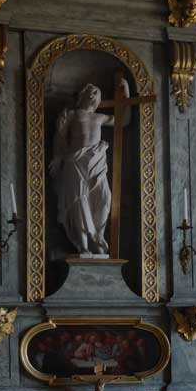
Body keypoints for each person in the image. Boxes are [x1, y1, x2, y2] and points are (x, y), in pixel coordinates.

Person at [50, 73, 130, 257]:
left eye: (97, 93)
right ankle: (84, 246)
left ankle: (97, 235)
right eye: (91, 92)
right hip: (76, 163)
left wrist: (126, 91)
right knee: (79, 201)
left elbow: (124, 121)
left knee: (105, 199)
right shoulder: (71, 115)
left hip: (97, 162)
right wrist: (58, 156)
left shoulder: (99, 117)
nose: (94, 95)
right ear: (83, 95)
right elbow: (60, 136)